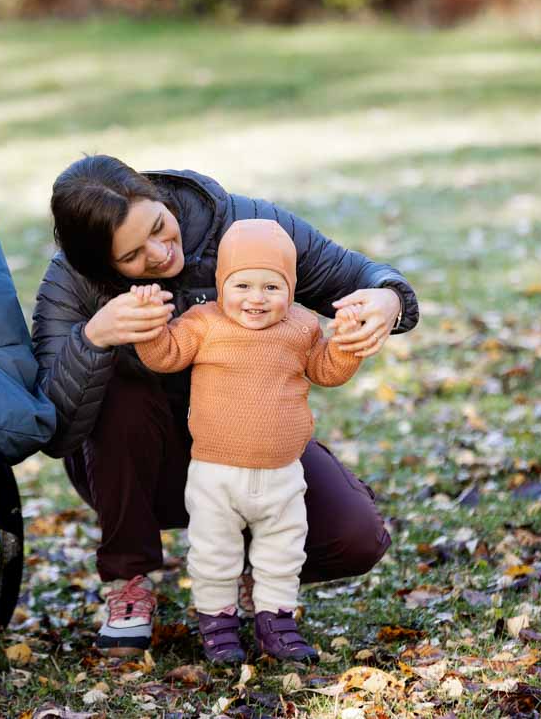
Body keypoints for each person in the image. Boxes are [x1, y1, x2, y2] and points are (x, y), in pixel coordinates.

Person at [31, 155, 417, 656]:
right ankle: (129, 582)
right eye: (132, 256)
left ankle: (253, 571)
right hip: (139, 468)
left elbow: (357, 274)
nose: (159, 251)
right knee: (122, 389)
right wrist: (94, 338)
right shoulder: (73, 280)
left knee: (356, 538)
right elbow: (53, 426)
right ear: (102, 264)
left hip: (258, 445)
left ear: (157, 196)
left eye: (158, 227)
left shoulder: (242, 226)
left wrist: (388, 298)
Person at [131, 219, 367, 663]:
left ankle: (276, 623)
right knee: (213, 553)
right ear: (222, 284)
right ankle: (218, 626)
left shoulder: (301, 327)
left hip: (282, 473)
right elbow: (166, 356)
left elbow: (327, 369)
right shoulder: (203, 323)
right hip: (216, 475)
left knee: (282, 552)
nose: (256, 299)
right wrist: (149, 326)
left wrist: (347, 343)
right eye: (242, 285)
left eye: (271, 287)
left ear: (291, 290)